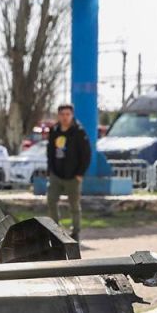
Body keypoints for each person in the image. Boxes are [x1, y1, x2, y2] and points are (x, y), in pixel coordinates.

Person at [45, 103, 91, 240]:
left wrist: (80, 174)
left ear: (71, 115)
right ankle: (55, 230)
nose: (65, 117)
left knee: (74, 205)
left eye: (67, 114)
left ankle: (75, 232)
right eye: (62, 114)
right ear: (58, 116)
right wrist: (50, 170)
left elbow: (86, 155)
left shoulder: (79, 132)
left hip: (73, 176)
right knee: (51, 200)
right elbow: (50, 152)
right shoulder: (54, 131)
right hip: (56, 174)